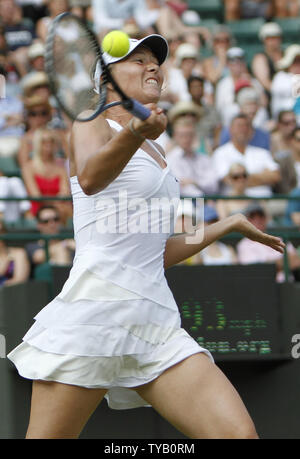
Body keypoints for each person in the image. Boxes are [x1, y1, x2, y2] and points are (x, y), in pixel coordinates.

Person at [7, 34, 285, 440]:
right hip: (95, 312)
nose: (153, 66)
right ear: (106, 79)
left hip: (155, 321)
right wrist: (135, 132)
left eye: (155, 60)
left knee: (239, 435)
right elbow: (90, 178)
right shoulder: (90, 123)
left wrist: (222, 226)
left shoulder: (158, 150)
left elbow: (153, 251)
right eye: (138, 60)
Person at [213, 114, 281, 197]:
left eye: (247, 126)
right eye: (239, 126)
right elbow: (228, 180)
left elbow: (276, 176)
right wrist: (263, 176)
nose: (243, 129)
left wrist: (240, 178)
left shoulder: (262, 152)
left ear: (252, 131)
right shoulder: (220, 153)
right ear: (230, 130)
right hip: (234, 203)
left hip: (265, 202)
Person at [237, 202, 300, 282]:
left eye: (260, 216)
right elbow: (255, 270)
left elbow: (296, 261)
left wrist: (271, 264)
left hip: (288, 288)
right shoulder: (244, 244)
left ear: (265, 218)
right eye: (252, 216)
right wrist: (283, 262)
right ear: (247, 220)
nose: (257, 220)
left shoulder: (279, 239)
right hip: (263, 288)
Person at [21, 127, 71, 222]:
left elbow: (64, 192)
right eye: (44, 142)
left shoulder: (61, 167)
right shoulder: (28, 167)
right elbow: (36, 195)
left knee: (65, 210)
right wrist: (55, 201)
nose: (48, 145)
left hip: (59, 209)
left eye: (51, 141)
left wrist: (55, 202)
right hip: (39, 208)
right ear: (37, 144)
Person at [167, 118, 219, 196]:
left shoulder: (204, 159)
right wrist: (201, 190)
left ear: (194, 136)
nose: (186, 139)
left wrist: (194, 183)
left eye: (189, 135)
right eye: (182, 135)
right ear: (175, 136)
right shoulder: (170, 159)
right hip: (183, 203)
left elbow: (213, 186)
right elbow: (179, 188)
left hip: (203, 202)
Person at [251, 23, 283, 99]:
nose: (273, 41)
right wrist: (283, 93)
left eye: (275, 37)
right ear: (263, 40)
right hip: (270, 97)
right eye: (269, 38)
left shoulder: (287, 54)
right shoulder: (260, 58)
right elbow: (265, 83)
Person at [270, 44, 300, 120]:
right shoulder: (280, 76)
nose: (298, 65)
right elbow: (286, 90)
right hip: (284, 123)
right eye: (295, 61)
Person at [0, 219, 30, 286]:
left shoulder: (18, 253)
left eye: (0, 231)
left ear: (4, 233)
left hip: (11, 294)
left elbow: (20, 280)